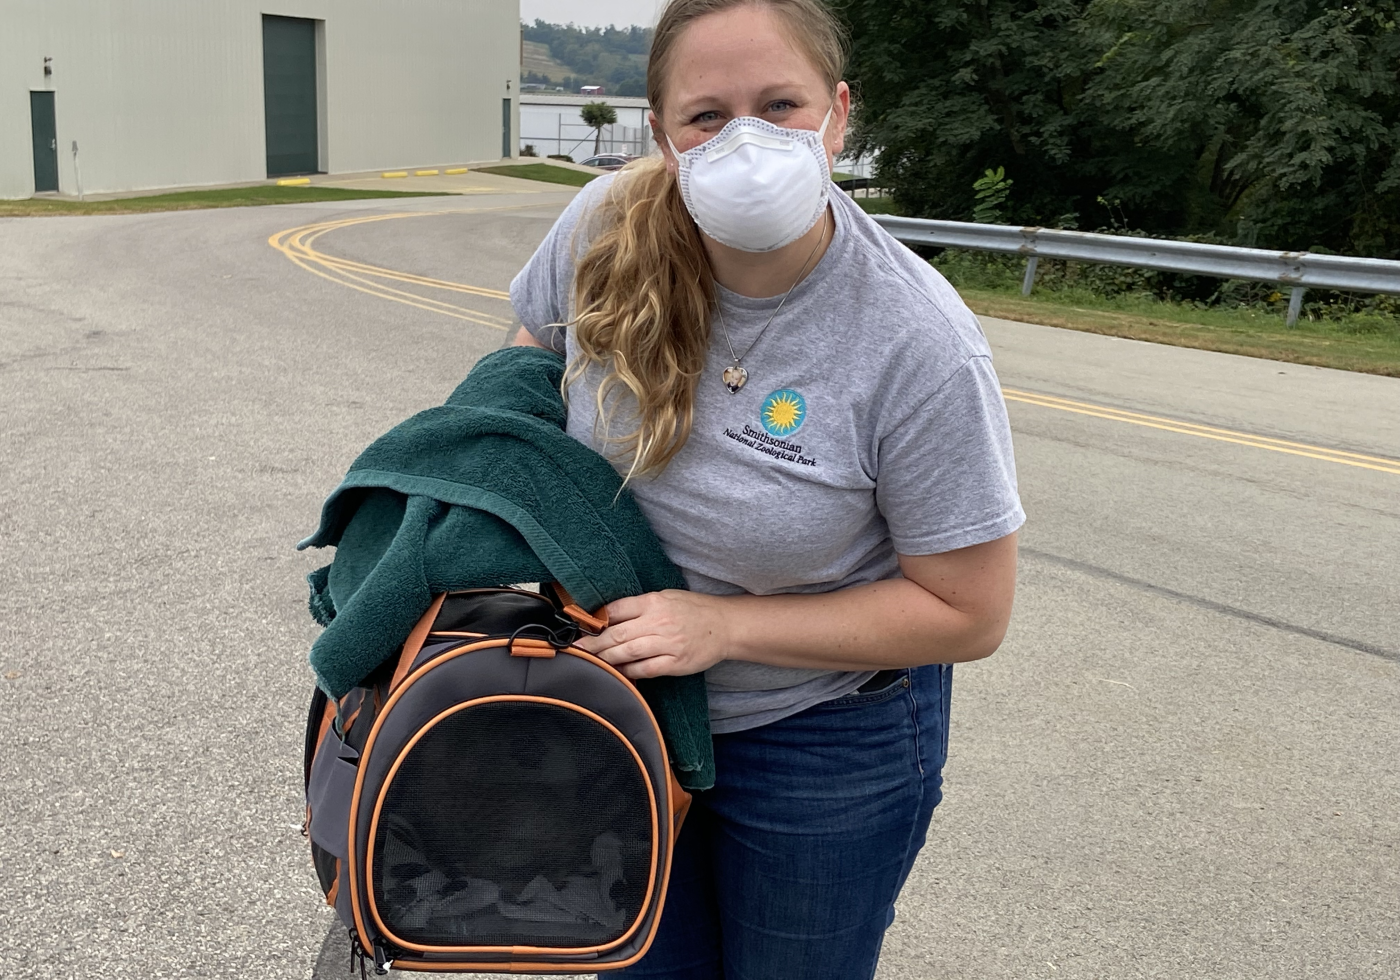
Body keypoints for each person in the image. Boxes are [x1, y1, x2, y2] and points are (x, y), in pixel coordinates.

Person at [509, 1, 1024, 976]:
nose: (744, 138)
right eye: (705, 115)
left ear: (836, 115)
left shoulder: (916, 339)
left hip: (820, 737)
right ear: (660, 134)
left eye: (778, 104)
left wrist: (724, 627)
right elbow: (522, 375)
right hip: (612, 703)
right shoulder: (604, 223)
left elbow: (967, 612)